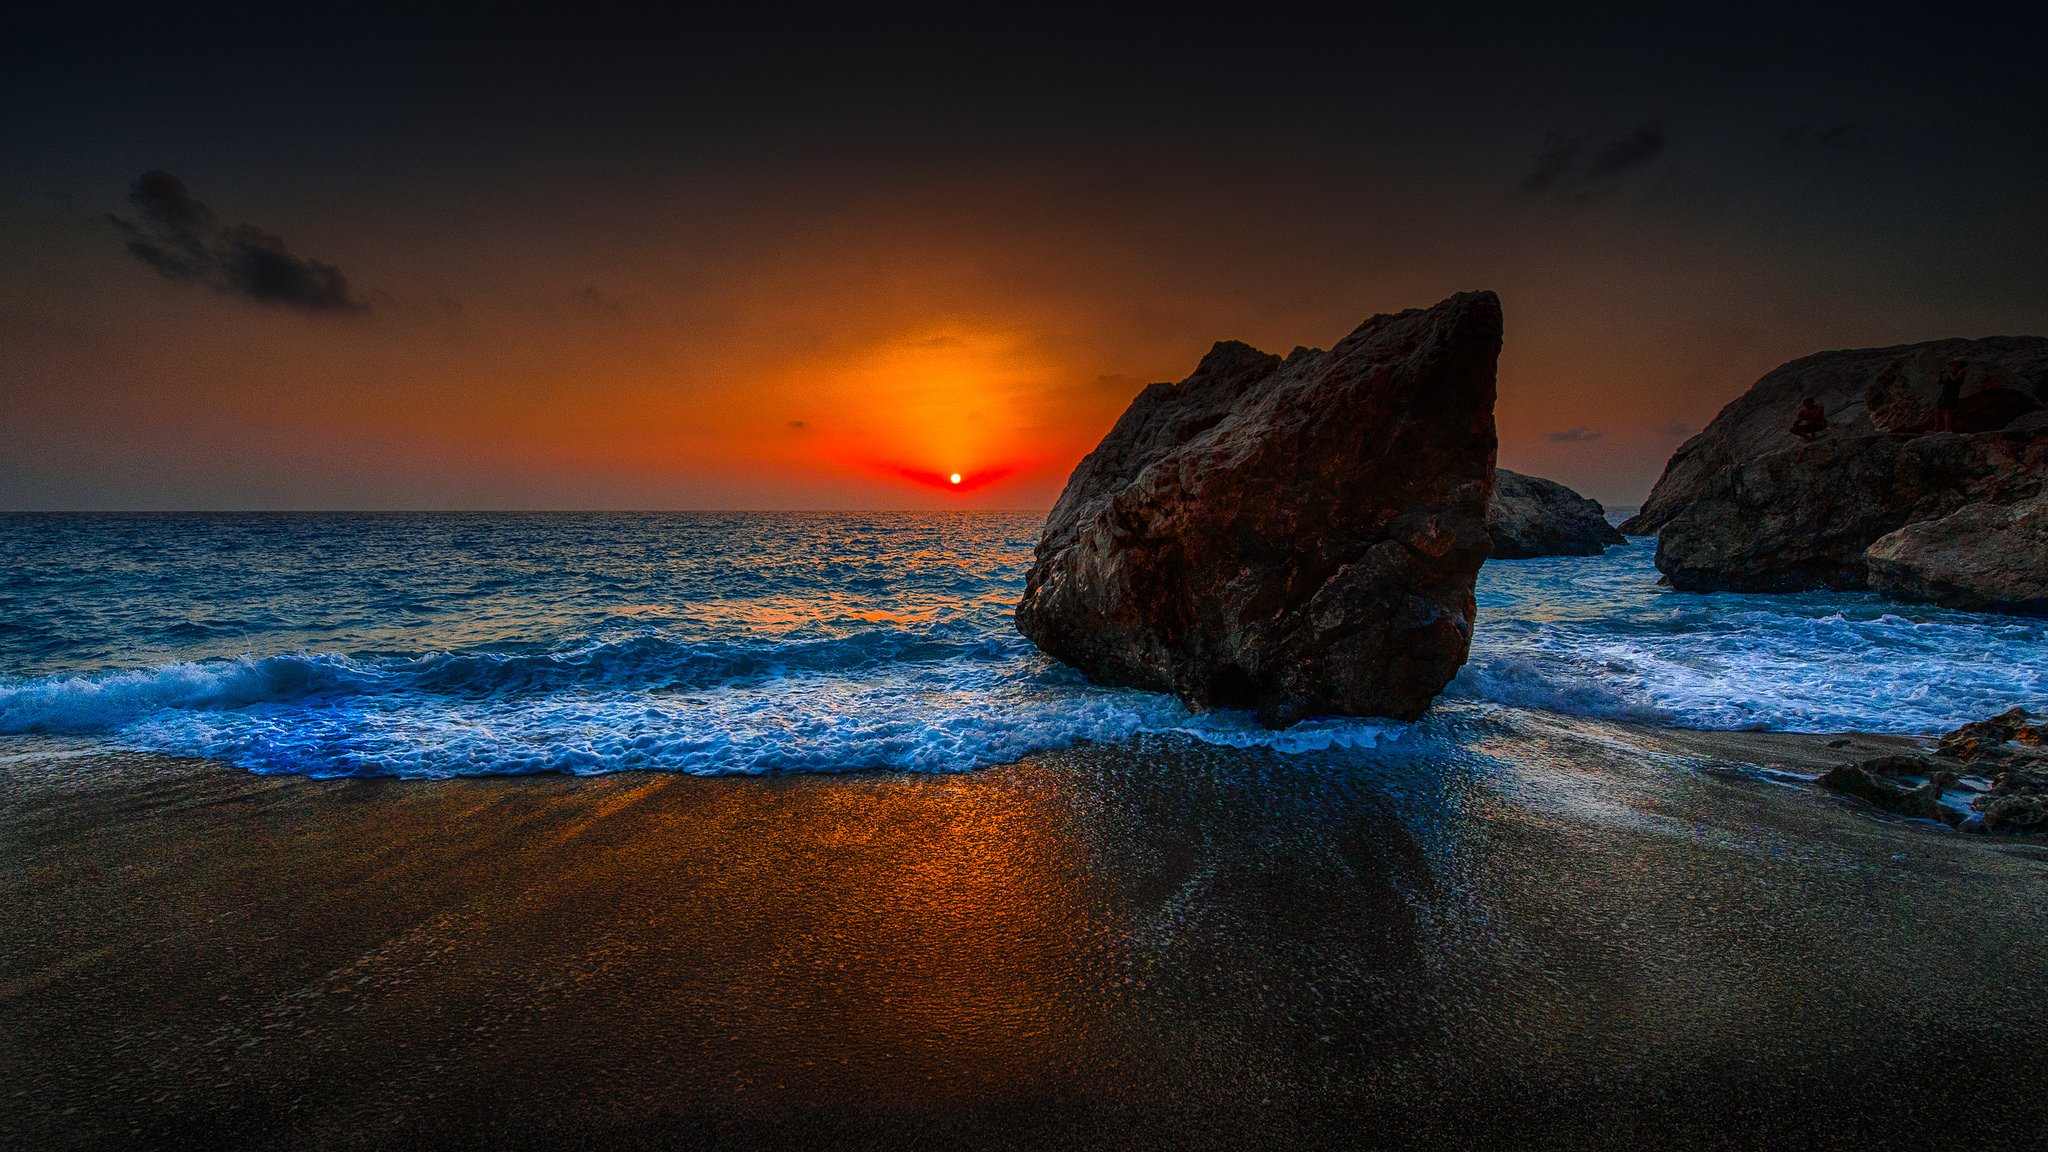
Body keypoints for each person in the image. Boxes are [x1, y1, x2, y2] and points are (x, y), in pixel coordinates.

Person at [1934, 359, 1965, 432]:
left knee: (1947, 410)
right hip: (1945, 393)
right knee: (1937, 411)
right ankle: (1937, 427)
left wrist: (1950, 372)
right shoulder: (1952, 373)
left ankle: (1948, 428)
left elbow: (1955, 380)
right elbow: (1940, 382)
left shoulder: (1961, 371)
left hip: (1951, 394)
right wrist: (1940, 376)